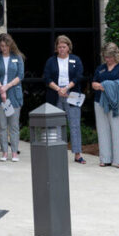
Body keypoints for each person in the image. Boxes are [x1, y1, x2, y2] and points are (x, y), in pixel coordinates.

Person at [44, 35, 86, 164]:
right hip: (55, 94)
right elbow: (47, 78)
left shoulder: (75, 60)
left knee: (74, 124)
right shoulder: (51, 61)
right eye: (59, 47)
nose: (61, 49)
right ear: (56, 48)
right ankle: (57, 154)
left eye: (64, 46)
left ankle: (77, 154)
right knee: (55, 124)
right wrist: (59, 89)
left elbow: (79, 76)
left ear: (69, 47)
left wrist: (66, 88)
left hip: (72, 94)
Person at [90, 42, 119, 168]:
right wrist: (99, 86)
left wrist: (107, 85)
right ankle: (105, 158)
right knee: (102, 130)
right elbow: (94, 83)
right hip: (100, 102)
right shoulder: (100, 68)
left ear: (116, 55)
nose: (107, 59)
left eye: (109, 57)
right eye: (105, 56)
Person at [0, 33, 24, 162]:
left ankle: (14, 152)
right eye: (2, 46)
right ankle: (4, 152)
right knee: (2, 125)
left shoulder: (17, 58)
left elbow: (20, 76)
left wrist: (7, 87)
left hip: (14, 94)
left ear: (11, 45)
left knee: (14, 126)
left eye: (6, 45)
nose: (4, 48)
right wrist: (1, 88)